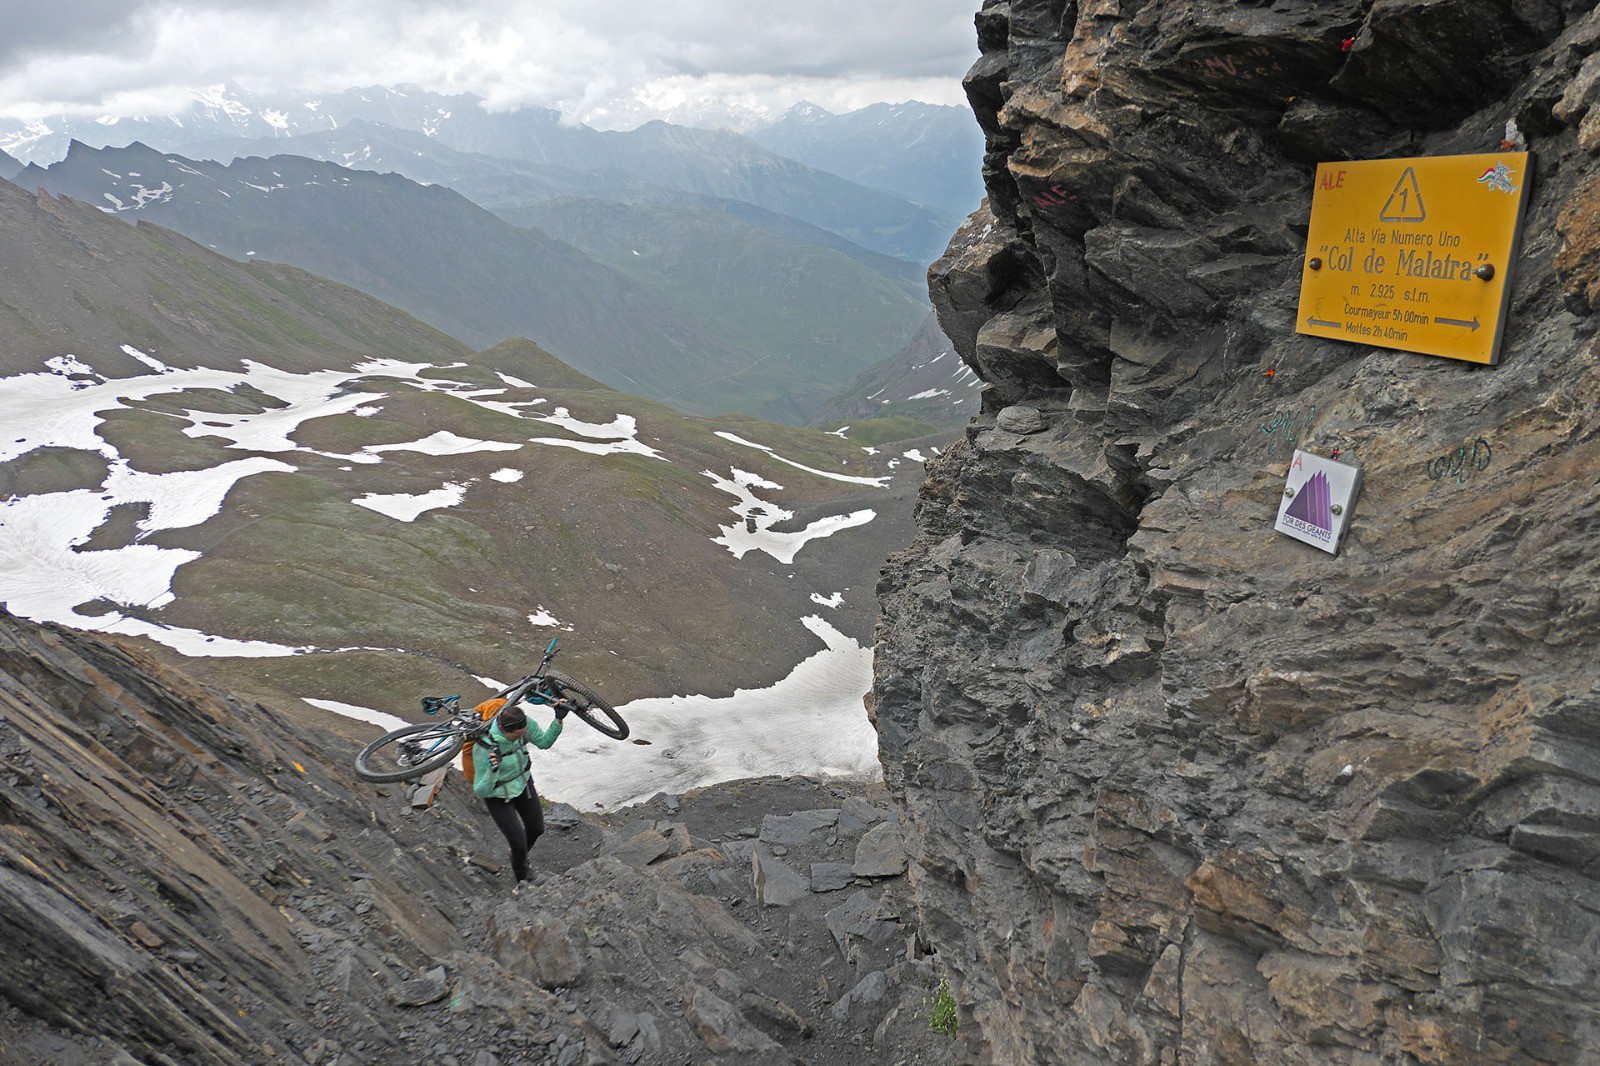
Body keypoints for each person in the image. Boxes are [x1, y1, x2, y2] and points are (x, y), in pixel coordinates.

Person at [471, 701, 566, 888]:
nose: (522, 737)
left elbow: (544, 742)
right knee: (519, 842)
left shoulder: (524, 724)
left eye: (524, 733)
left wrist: (559, 719)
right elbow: (480, 790)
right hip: (497, 795)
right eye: (517, 736)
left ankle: (519, 855)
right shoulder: (484, 747)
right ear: (504, 730)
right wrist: (492, 771)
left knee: (537, 828)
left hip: (522, 783)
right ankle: (522, 876)